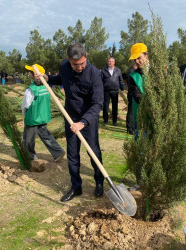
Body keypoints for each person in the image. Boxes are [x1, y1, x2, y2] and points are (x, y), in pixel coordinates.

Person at [43, 43, 104, 202]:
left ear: (86, 57)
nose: (80, 67)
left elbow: (97, 104)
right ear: (69, 60)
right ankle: (76, 187)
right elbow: (61, 78)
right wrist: (48, 78)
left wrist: (82, 123)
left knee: (93, 152)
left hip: (88, 120)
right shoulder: (64, 66)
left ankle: (99, 182)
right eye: (75, 65)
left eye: (82, 63)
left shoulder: (94, 74)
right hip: (70, 117)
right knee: (72, 154)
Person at [22, 64, 66, 163]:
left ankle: (30, 157)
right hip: (43, 116)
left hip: (33, 117)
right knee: (45, 134)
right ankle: (58, 152)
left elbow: (26, 104)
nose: (28, 74)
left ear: (34, 75)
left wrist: (24, 113)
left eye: (30, 72)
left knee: (28, 138)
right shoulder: (46, 87)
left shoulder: (31, 89)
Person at [127, 43, 150, 190]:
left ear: (146, 55)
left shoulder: (159, 73)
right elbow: (136, 96)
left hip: (158, 120)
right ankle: (140, 181)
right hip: (140, 119)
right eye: (135, 59)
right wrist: (151, 108)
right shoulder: (133, 76)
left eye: (139, 58)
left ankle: (154, 179)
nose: (137, 62)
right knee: (140, 151)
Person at [101, 57, 124, 126]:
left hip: (115, 91)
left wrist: (122, 89)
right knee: (105, 106)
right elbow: (100, 81)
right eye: (108, 61)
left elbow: (121, 80)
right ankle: (105, 121)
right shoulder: (103, 70)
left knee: (115, 106)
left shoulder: (118, 70)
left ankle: (115, 121)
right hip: (106, 91)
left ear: (114, 62)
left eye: (111, 61)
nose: (109, 63)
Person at [126, 62, 137, 134]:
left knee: (133, 111)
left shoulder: (133, 71)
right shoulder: (131, 72)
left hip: (133, 94)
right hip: (132, 94)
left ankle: (132, 127)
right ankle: (129, 128)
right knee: (131, 111)